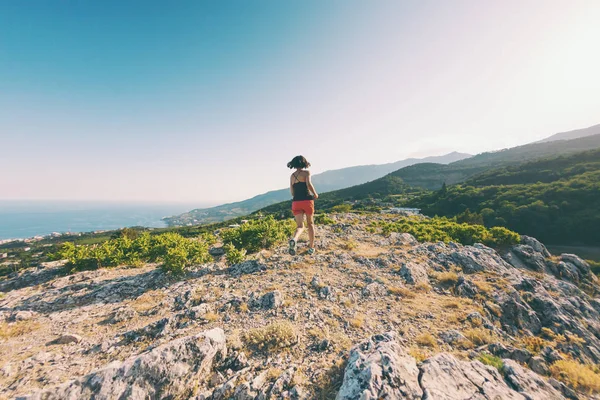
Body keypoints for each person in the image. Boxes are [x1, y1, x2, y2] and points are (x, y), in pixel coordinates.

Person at [287, 155, 318, 255]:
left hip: (296, 202)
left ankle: (294, 239)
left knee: (300, 226)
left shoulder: (292, 176)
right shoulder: (306, 173)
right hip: (306, 201)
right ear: (304, 163)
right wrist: (315, 193)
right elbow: (308, 184)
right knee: (310, 224)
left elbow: (292, 192)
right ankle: (311, 248)